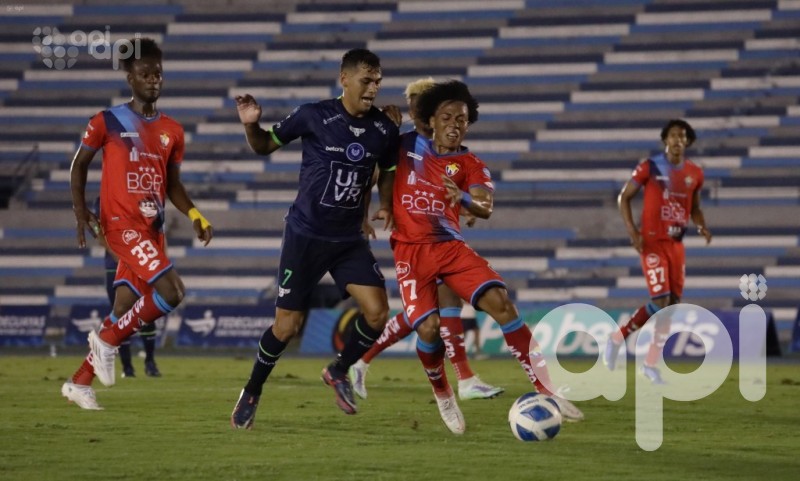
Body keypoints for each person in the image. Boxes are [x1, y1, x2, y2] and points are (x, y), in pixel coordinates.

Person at [385, 80, 584, 434]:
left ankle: (546, 387)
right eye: (447, 117)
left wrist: (460, 198)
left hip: (450, 247)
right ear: (431, 120)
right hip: (411, 252)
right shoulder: (404, 145)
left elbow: (485, 206)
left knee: (502, 303)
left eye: (461, 118)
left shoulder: (471, 163)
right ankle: (444, 393)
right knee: (428, 331)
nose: (454, 124)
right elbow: (373, 165)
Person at [230, 48, 400, 429]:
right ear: (344, 78)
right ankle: (253, 390)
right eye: (366, 80)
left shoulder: (384, 129)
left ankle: (338, 370)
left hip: (347, 240)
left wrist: (385, 205)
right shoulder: (314, 115)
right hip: (305, 236)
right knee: (286, 329)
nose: (373, 88)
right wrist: (251, 125)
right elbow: (263, 145)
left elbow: (388, 167)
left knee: (377, 313)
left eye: (378, 81)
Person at [61, 38, 213, 410]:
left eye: (158, 73)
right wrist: (81, 211)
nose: (153, 80)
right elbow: (79, 164)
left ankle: (79, 382)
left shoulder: (172, 131)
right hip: (121, 224)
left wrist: (195, 214)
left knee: (123, 305)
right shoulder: (106, 121)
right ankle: (109, 341)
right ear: (130, 77)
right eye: (145, 73)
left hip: (152, 229)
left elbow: (172, 184)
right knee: (173, 292)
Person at [348, 77, 503, 402]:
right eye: (417, 105)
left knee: (440, 308)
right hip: (413, 245)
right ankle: (365, 360)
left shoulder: (442, 149)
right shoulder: (401, 143)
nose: (421, 110)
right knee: (431, 313)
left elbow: (446, 190)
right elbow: (372, 175)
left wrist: (466, 206)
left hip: (442, 243)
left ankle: (463, 378)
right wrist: (373, 211)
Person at [604, 119, 712, 384]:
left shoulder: (695, 173)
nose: (678, 140)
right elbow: (624, 197)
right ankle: (618, 337)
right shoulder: (650, 167)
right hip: (652, 241)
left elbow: (694, 207)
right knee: (661, 299)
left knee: (672, 306)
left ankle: (651, 365)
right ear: (665, 139)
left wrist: (701, 225)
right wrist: (633, 231)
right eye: (673, 135)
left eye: (683, 136)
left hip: (676, 244)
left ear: (688, 142)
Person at [94, 197, 161, 378]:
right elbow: (99, 232)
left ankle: (150, 363)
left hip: (141, 260)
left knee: (148, 310)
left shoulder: (139, 195)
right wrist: (121, 257)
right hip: (115, 265)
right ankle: (127, 367)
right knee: (120, 314)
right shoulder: (103, 199)